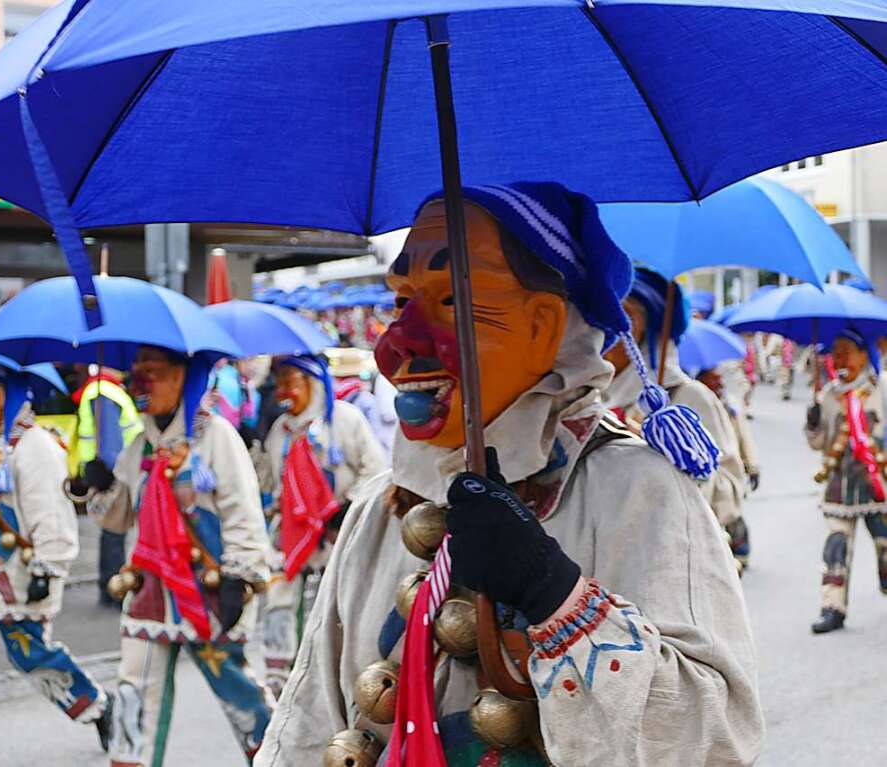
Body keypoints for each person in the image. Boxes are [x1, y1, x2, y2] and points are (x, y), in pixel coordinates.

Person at [255, 182, 762, 766]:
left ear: (544, 325)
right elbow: (310, 719)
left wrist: (553, 595)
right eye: (400, 303)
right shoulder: (378, 510)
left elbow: (713, 738)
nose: (398, 346)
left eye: (449, 303)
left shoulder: (637, 490)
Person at [83, 346, 273, 765]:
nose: (140, 383)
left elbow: (242, 511)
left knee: (237, 691)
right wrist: (98, 484)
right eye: (137, 372)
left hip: (204, 591)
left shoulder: (216, 436)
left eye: (151, 372)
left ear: (181, 377)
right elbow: (116, 520)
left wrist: (239, 577)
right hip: (149, 591)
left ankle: (282, 757)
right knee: (134, 690)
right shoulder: (139, 446)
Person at [0, 358, 111, 767]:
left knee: (32, 657)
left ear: (4, 393)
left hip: (20, 575)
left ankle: (98, 705)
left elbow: (52, 513)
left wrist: (49, 566)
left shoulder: (35, 446)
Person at [258, 353, 387, 697]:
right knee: (284, 612)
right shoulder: (279, 432)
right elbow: (270, 483)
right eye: (279, 383)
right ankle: (291, 690)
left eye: (291, 382)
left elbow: (375, 469)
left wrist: (348, 506)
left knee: (339, 617)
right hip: (291, 541)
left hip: (338, 539)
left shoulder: (345, 420)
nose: (283, 391)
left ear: (311, 384)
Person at [603, 267, 748, 569]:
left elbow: (730, 491)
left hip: (679, 565)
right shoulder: (590, 397)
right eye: (606, 312)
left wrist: (670, 460)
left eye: (625, 315)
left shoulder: (690, 398)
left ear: (653, 329)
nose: (611, 327)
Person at [805, 328, 887, 634]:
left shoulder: (881, 388)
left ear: (865, 354)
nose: (841, 359)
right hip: (840, 485)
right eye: (836, 352)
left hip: (878, 484)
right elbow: (817, 443)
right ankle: (833, 607)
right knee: (835, 546)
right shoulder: (828, 395)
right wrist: (813, 420)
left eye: (847, 351)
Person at [65, 364, 142, 608]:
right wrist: (111, 473)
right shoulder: (105, 392)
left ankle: (108, 585)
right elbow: (109, 439)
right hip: (114, 472)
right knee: (113, 529)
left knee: (111, 530)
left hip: (109, 470)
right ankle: (112, 588)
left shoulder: (101, 390)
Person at [697, 366, 760, 570]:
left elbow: (744, 436)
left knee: (733, 513)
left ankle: (740, 554)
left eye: (720, 379)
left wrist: (752, 465)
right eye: (712, 379)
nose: (719, 383)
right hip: (706, 478)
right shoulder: (696, 404)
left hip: (730, 473)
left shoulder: (730, 404)